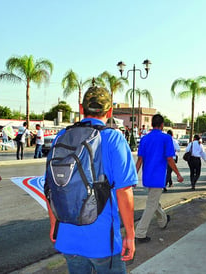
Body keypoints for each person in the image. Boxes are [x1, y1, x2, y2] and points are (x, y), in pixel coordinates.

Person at [44, 86, 137, 273]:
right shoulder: (113, 138)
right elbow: (124, 191)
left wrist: (54, 223)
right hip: (102, 240)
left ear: (81, 108)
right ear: (109, 111)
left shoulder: (61, 137)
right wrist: (130, 235)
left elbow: (52, 186)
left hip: (68, 235)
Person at [135, 114, 184, 243]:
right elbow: (169, 158)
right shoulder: (166, 138)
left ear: (152, 124)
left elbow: (140, 160)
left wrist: (134, 176)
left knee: (154, 201)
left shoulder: (145, 139)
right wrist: (178, 174)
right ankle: (140, 232)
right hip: (158, 177)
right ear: (162, 125)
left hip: (147, 176)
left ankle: (163, 220)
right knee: (151, 204)